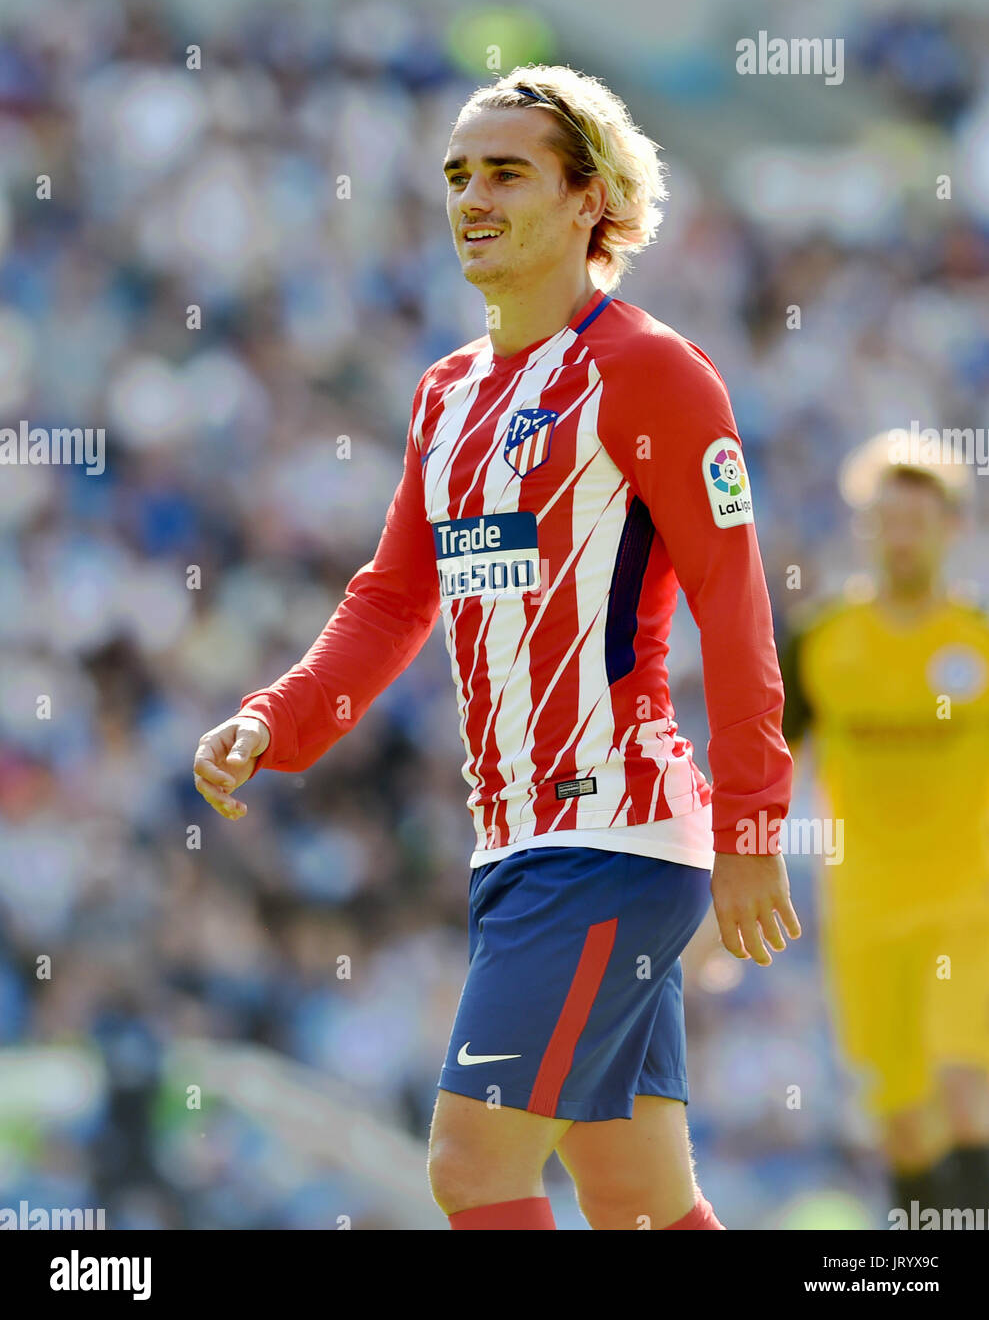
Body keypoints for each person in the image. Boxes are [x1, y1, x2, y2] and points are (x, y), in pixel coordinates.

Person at [193, 65, 799, 1231]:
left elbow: (733, 605)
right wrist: (278, 715)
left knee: (470, 1168)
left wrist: (752, 821)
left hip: (607, 832)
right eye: (457, 175)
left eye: (506, 172)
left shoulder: (649, 371)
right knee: (635, 1199)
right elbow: (390, 596)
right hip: (514, 836)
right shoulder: (445, 394)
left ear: (589, 199)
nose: (471, 196)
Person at [780, 434, 989, 1223]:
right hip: (863, 911)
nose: (901, 536)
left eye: (918, 519)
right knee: (901, 1121)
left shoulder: (977, 636)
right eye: (886, 520)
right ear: (863, 528)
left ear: (951, 529)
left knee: (963, 1086)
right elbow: (768, 767)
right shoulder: (820, 640)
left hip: (967, 904)